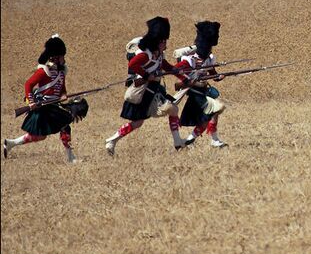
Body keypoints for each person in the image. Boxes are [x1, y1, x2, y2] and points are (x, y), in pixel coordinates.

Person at [104, 17, 188, 155]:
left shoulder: (158, 53)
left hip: (152, 91)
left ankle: (112, 140)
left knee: (144, 120)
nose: (166, 43)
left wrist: (179, 73)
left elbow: (165, 65)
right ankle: (112, 140)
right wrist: (146, 75)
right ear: (158, 41)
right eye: (164, 41)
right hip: (144, 92)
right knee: (149, 118)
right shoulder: (145, 54)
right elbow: (133, 65)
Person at [3, 35, 88, 163]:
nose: (64, 59)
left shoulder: (60, 73)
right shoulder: (44, 71)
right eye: (62, 56)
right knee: (45, 134)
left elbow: (62, 89)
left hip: (53, 105)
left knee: (58, 128)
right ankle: (12, 143)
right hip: (44, 106)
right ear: (55, 56)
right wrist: (31, 101)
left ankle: (11, 143)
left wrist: (64, 95)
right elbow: (28, 84)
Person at [175, 21, 228, 148]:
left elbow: (213, 74)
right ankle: (191, 140)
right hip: (195, 93)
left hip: (204, 90)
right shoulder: (189, 59)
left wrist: (219, 77)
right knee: (213, 111)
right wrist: (191, 78)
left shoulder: (210, 58)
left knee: (212, 114)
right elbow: (177, 73)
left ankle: (206, 140)